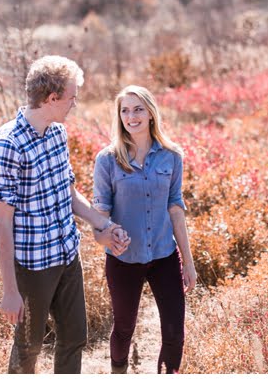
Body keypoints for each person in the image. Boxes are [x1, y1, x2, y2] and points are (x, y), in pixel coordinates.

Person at [0, 55, 131, 374]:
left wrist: (103, 225)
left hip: (67, 255)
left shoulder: (57, 134)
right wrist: (10, 291)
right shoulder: (8, 144)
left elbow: (68, 192)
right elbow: (2, 222)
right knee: (28, 349)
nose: (73, 105)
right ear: (52, 99)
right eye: (71, 98)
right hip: (33, 266)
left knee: (74, 338)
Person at [92, 85, 197, 374]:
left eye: (138, 109)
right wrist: (109, 236)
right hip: (124, 259)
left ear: (151, 113)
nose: (131, 116)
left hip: (164, 255)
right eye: (125, 110)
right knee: (124, 328)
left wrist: (187, 262)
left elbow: (175, 208)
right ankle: (118, 371)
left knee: (175, 332)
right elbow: (99, 215)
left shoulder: (172, 156)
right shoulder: (107, 159)